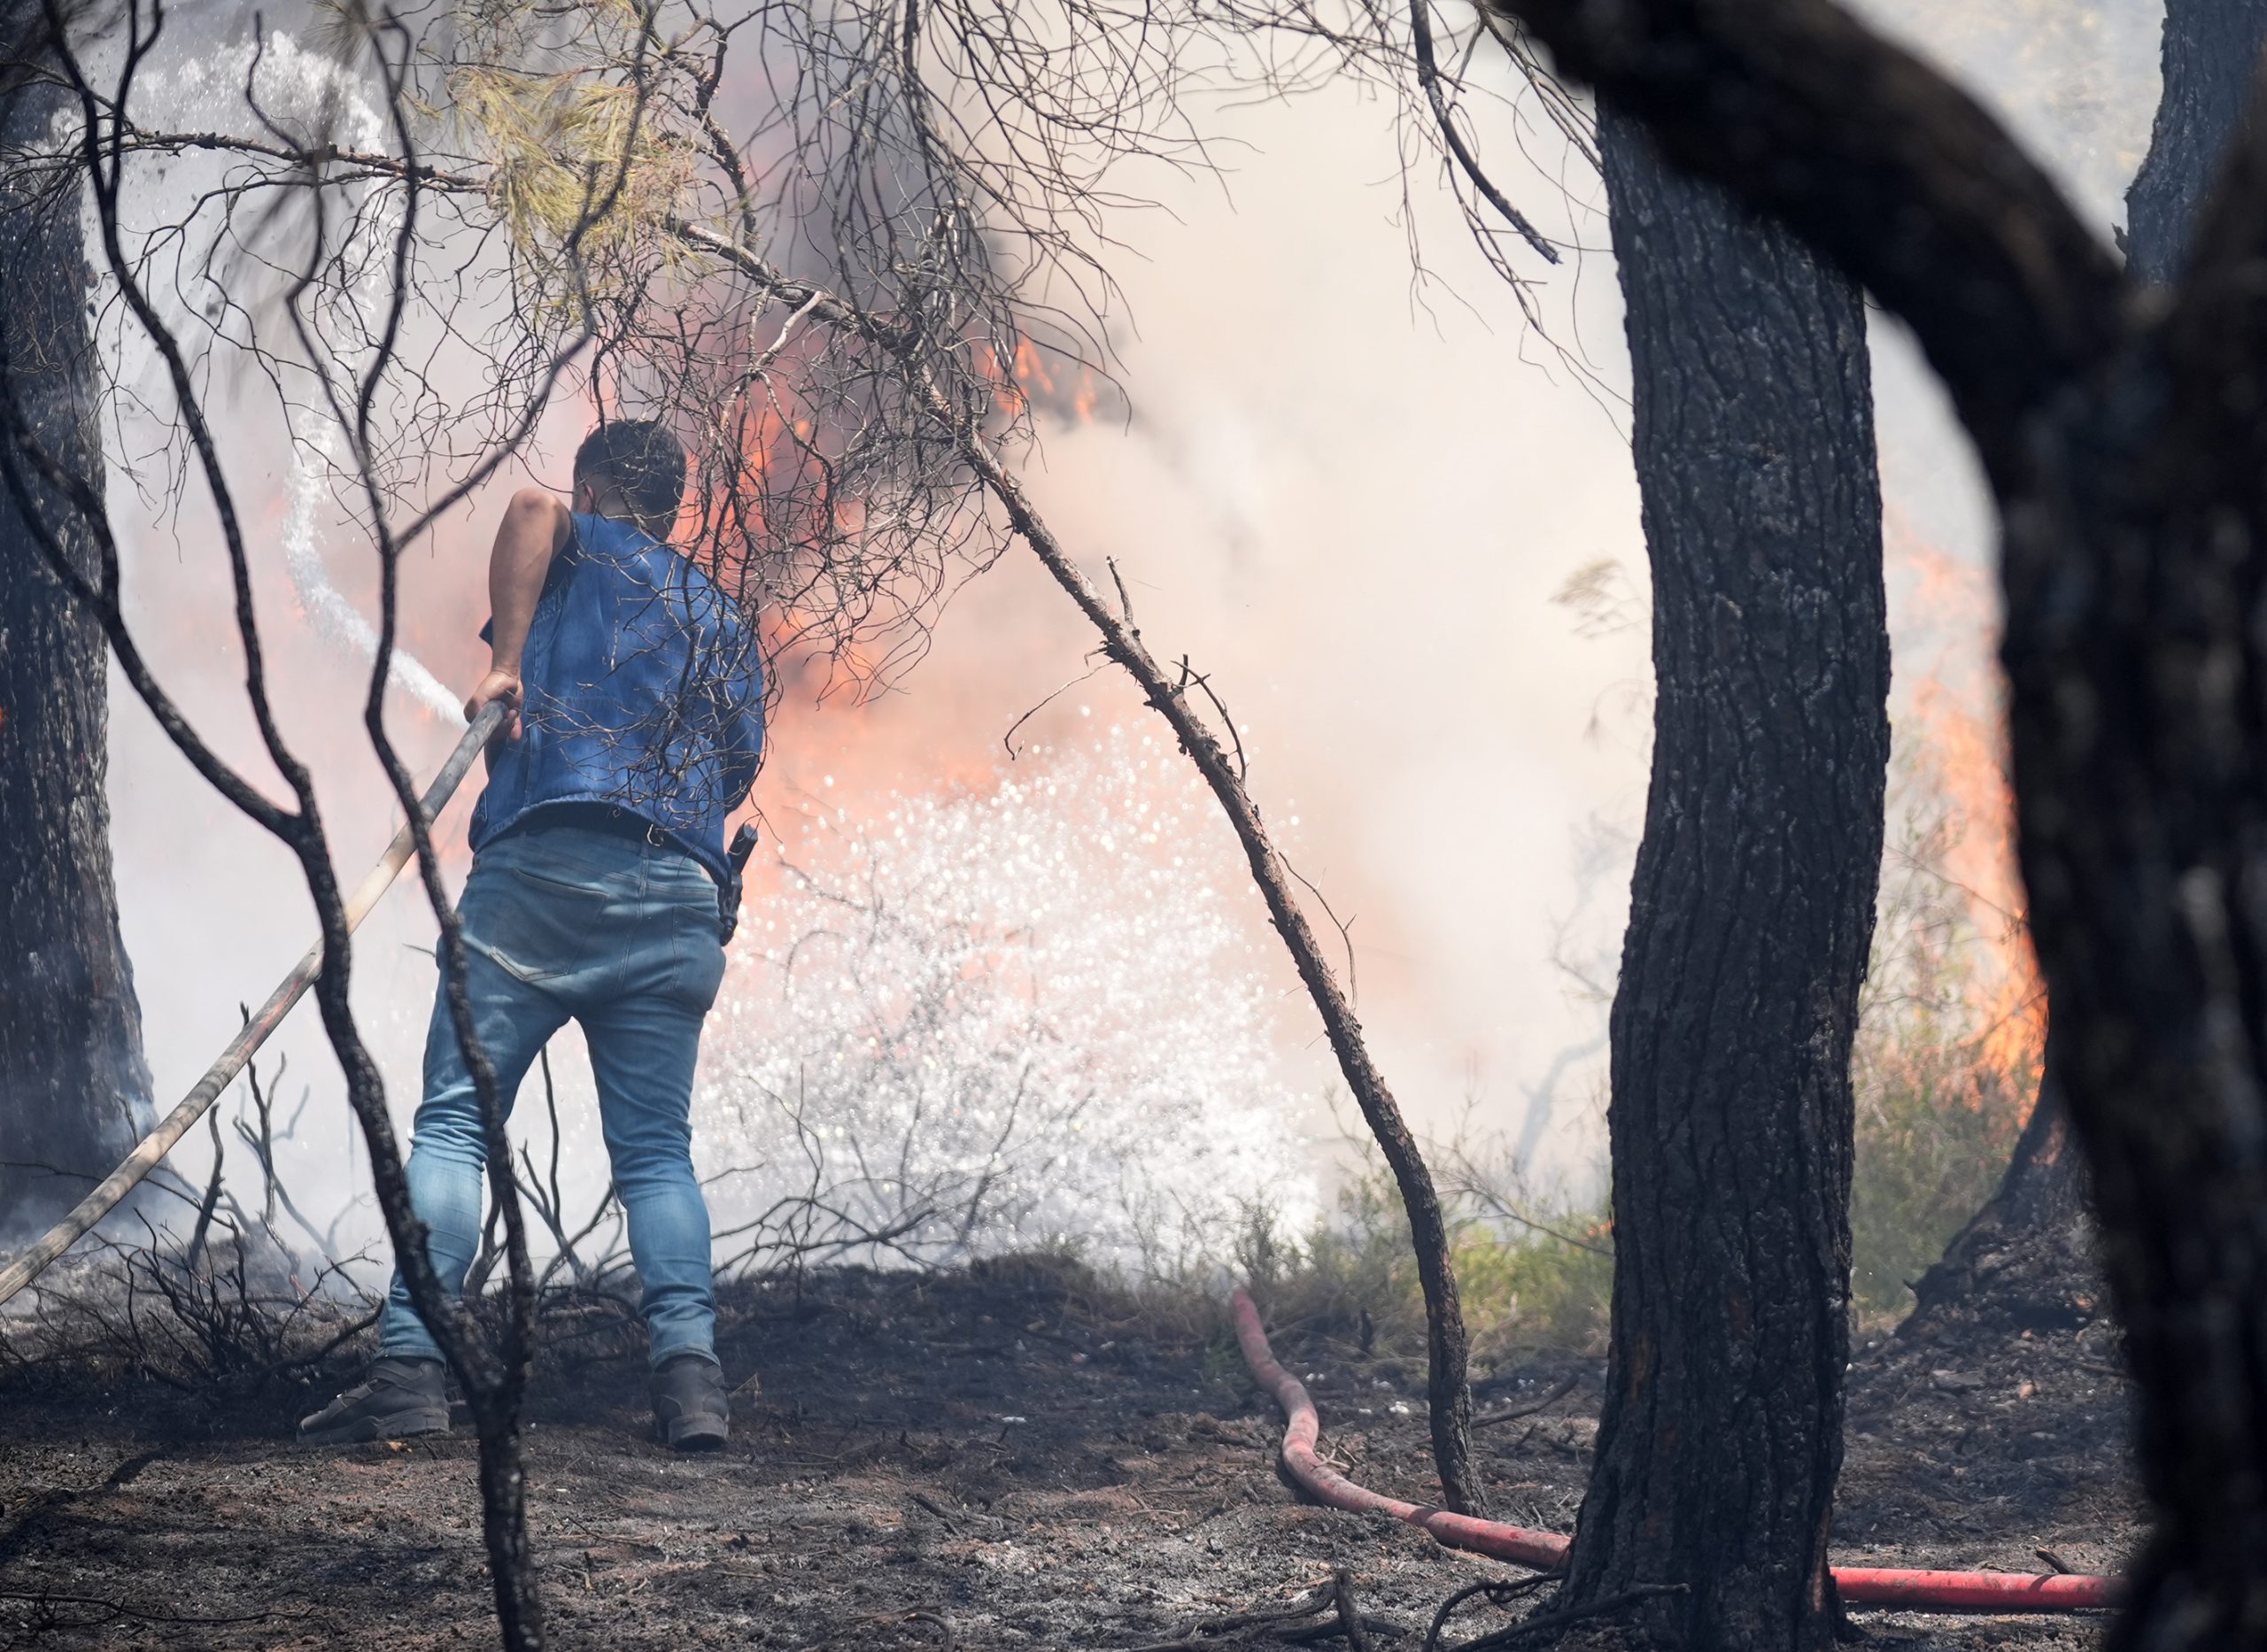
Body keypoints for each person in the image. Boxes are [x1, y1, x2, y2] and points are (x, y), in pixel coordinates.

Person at [298, 421, 764, 1452]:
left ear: (595, 489)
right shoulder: (721, 616)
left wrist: (506, 663)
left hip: (543, 876)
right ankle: (693, 1388)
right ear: (676, 508)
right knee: (655, 1157)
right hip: (676, 897)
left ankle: (412, 1376)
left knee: (456, 1126)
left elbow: (525, 509)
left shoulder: (576, 537)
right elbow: (736, 772)